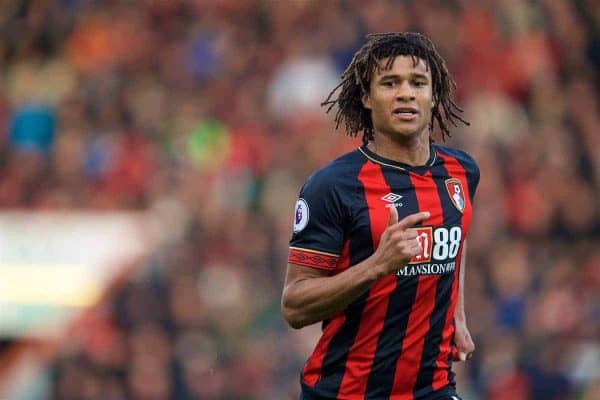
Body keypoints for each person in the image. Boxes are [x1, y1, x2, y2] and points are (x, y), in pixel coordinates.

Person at [281, 32, 479, 400]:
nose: (406, 93)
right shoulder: (333, 186)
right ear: (366, 97)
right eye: (390, 83)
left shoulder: (461, 172)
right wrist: (378, 265)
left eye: (418, 82)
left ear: (433, 96)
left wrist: (458, 315)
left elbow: (456, 240)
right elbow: (294, 305)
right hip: (346, 391)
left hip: (432, 387)